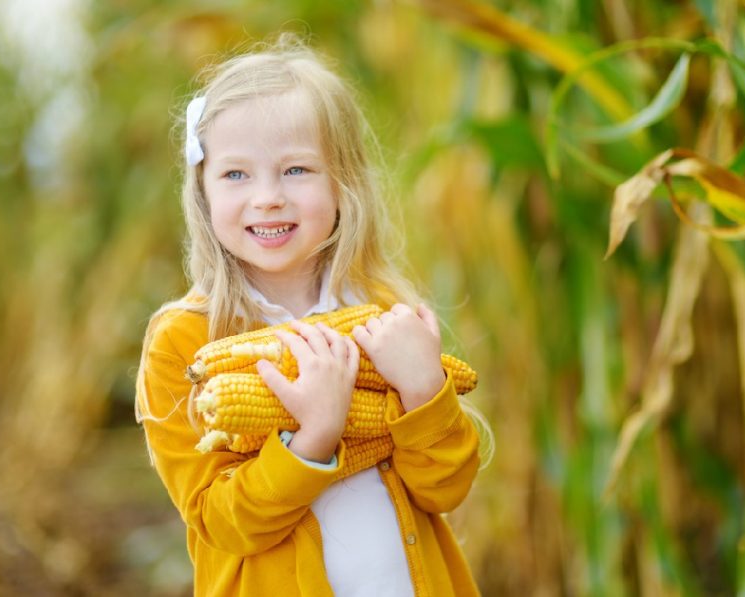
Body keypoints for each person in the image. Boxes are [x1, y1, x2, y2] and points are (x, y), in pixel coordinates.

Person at [135, 35, 486, 596]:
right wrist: (314, 437)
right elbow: (223, 522)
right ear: (202, 192)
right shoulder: (184, 342)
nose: (268, 197)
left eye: (296, 170)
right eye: (236, 175)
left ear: (343, 182)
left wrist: (424, 392)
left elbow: (446, 489)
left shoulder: (380, 309)